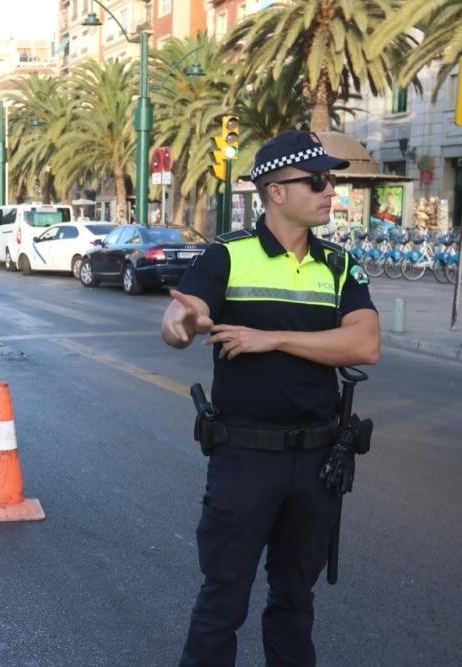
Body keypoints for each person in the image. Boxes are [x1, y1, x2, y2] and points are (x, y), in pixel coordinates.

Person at [161, 130, 380, 667]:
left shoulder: (340, 264)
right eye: (318, 181)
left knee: (294, 600)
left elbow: (365, 343)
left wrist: (272, 339)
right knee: (223, 602)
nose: (332, 191)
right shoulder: (227, 256)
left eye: (332, 181)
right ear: (276, 191)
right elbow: (182, 317)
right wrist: (182, 321)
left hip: (316, 462)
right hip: (245, 459)